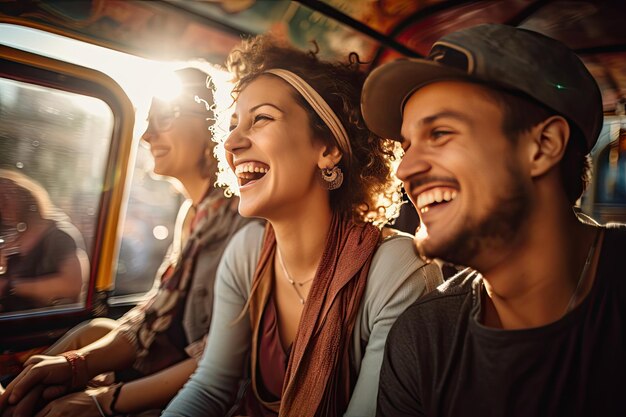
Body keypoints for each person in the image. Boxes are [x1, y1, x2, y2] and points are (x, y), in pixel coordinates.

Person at [161, 35, 442, 417]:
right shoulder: (246, 252)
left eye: (260, 118)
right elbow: (211, 387)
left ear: (326, 149)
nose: (231, 141)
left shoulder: (397, 270)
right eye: (231, 125)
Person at [360, 23, 626, 416]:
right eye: (407, 145)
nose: (406, 169)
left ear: (543, 146)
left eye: (441, 133)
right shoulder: (425, 337)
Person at [0, 67, 251, 417]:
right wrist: (75, 364)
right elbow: (153, 309)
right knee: (91, 333)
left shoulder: (243, 221)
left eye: (164, 118)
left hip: (192, 387)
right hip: (161, 361)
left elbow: (220, 359)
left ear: (214, 124)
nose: (147, 136)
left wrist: (103, 401)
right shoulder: (193, 215)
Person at [0, 169, 88, 313]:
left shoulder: (59, 236)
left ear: (25, 196)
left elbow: (72, 285)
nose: (2, 206)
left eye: (6, 197)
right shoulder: (16, 236)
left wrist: (11, 286)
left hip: (44, 324)